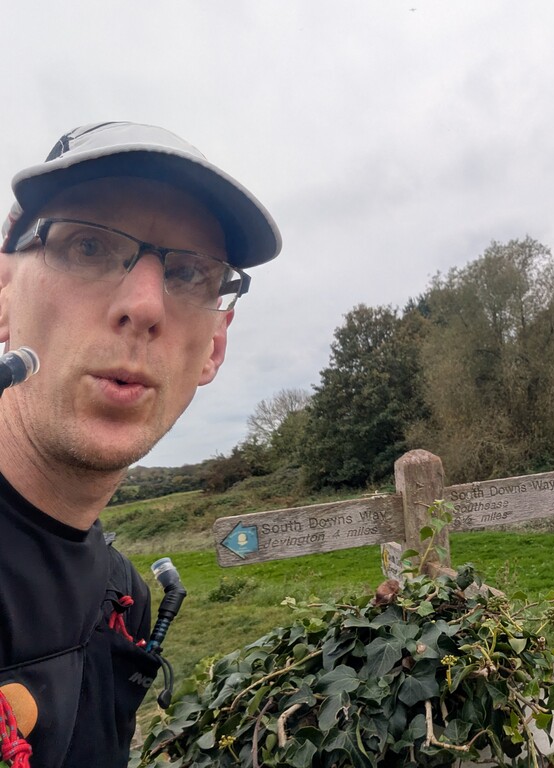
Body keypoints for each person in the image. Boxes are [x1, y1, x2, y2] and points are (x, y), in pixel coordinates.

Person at [0, 122, 282, 768]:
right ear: (4, 293)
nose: (145, 305)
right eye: (89, 246)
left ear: (213, 348)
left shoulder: (124, 600)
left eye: (189, 273)